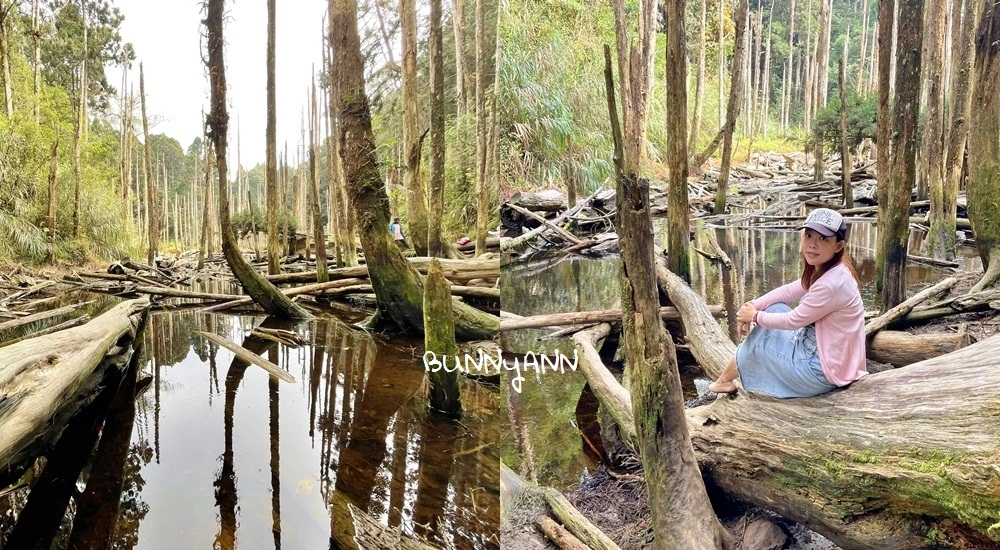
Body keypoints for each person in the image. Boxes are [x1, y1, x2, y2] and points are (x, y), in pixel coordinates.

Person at [708, 208, 867, 398]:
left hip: (822, 372)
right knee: (773, 308)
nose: (813, 244)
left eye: (823, 239)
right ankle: (728, 378)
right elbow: (789, 290)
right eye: (809, 235)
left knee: (757, 341)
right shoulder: (832, 269)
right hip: (832, 356)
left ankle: (724, 381)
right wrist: (753, 305)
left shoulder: (831, 283)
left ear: (839, 246)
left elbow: (794, 320)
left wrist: (755, 317)